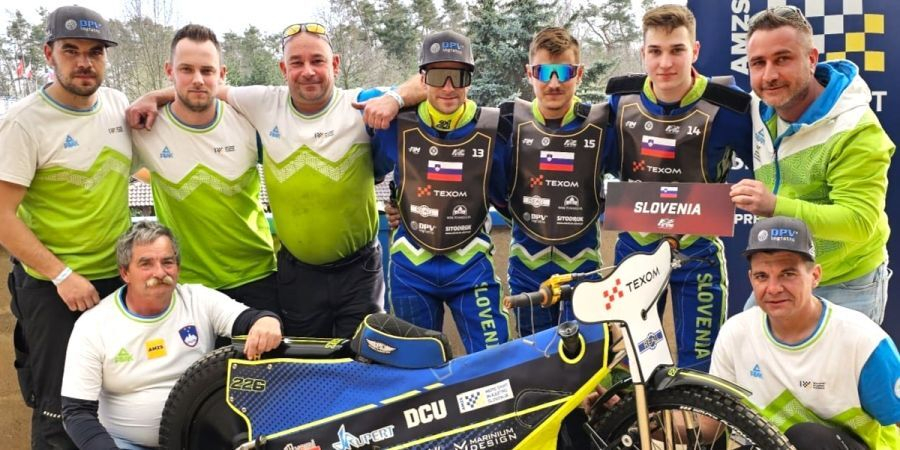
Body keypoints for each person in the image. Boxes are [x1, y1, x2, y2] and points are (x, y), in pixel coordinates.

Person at [127, 23, 424, 338]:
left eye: (317, 61)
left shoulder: (360, 103)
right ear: (283, 69)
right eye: (297, 62)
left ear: (335, 64)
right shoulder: (262, 103)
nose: (307, 71)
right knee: (299, 362)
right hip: (295, 274)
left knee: (362, 357)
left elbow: (428, 83)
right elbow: (203, 88)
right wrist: (153, 96)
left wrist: (394, 98)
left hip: (356, 270)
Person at [0, 6, 131, 448]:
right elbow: (2, 215)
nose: (84, 62)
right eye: (71, 50)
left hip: (116, 282)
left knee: (115, 400)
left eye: (95, 52)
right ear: (48, 53)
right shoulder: (24, 122)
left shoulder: (117, 104)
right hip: (54, 289)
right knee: (60, 408)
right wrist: (61, 275)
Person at [605, 4, 752, 371]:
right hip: (635, 248)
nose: (665, 63)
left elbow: (769, 167)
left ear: (695, 51)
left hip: (698, 250)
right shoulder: (619, 102)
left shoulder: (729, 107)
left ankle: (696, 413)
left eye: (677, 50)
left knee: (701, 366)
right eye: (655, 51)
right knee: (632, 362)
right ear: (643, 53)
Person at [729, 5, 894, 324]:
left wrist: (774, 206)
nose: (769, 75)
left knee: (835, 362)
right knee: (748, 353)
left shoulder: (856, 128)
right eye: (758, 63)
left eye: (782, 59)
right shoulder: (758, 107)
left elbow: (858, 221)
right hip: (782, 272)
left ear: (811, 59)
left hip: (845, 280)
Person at [60, 221, 283, 449]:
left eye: (167, 262)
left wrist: (267, 321)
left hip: (198, 440)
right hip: (125, 444)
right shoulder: (93, 325)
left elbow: (251, 318)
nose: (159, 272)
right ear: (125, 272)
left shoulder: (199, 300)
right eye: (146, 264)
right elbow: (76, 413)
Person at [370, 30, 510, 353]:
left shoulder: (493, 128)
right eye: (437, 75)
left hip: (471, 265)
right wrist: (396, 203)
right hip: (410, 268)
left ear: (470, 79)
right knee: (415, 368)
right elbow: (373, 170)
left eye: (458, 76)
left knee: (494, 361)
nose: (448, 87)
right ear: (422, 78)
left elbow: (505, 198)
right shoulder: (395, 124)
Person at [710, 216, 899, 449]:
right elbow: (709, 428)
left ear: (815, 276)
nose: (773, 288)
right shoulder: (735, 332)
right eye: (762, 276)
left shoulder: (862, 339)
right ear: (751, 279)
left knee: (807, 437)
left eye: (788, 274)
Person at [131, 24, 278, 313]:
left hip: (257, 277)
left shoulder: (248, 121)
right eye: (186, 69)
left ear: (221, 74)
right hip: (187, 286)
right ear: (169, 71)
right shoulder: (145, 128)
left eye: (207, 70)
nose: (197, 79)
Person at [497, 27, 609, 336]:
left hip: (583, 269)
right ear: (529, 73)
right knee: (537, 357)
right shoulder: (508, 122)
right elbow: (492, 188)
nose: (555, 83)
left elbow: (636, 172)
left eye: (565, 72)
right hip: (526, 268)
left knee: (586, 356)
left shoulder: (600, 124)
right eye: (545, 72)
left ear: (579, 73)